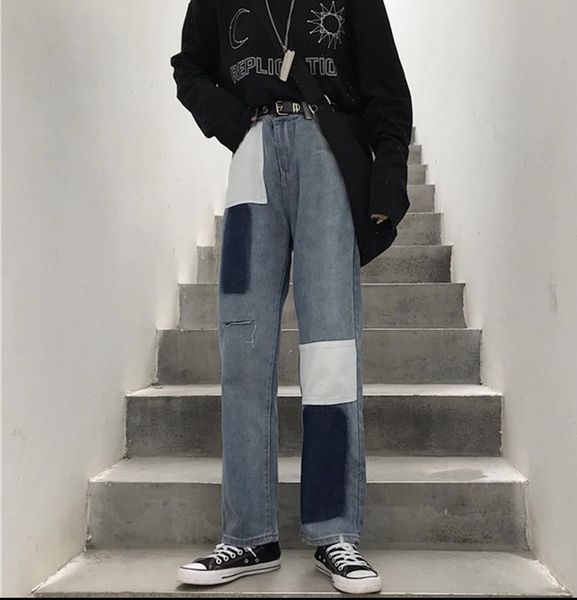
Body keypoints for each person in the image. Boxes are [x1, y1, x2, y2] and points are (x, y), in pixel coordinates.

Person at [170, 0, 412, 594]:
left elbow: (386, 85)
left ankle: (335, 531)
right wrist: (236, 125)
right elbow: (189, 67)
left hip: (327, 154)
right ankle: (249, 535)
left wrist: (386, 181)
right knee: (242, 348)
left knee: (331, 348)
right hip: (252, 159)